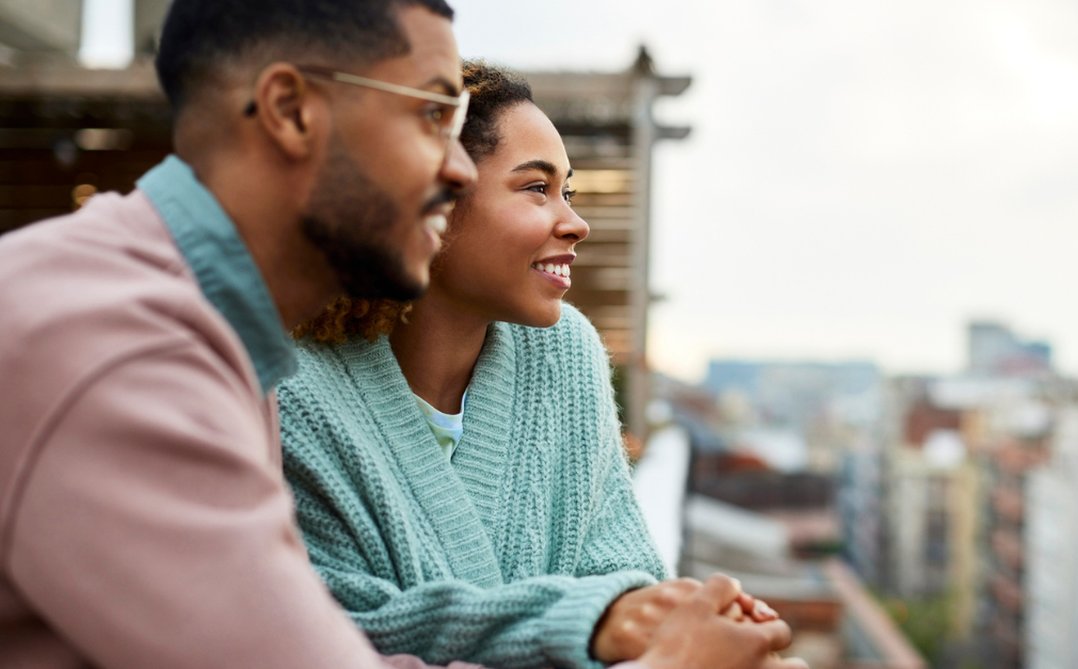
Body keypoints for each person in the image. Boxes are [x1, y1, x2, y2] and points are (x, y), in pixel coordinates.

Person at [0, 0, 798, 668]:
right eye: (429, 115)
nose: (456, 171)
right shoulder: (123, 356)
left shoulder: (211, 333)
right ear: (289, 109)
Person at [278, 61, 789, 669]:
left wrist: (685, 617)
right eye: (535, 188)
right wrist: (587, 620)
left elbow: (620, 569)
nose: (575, 223)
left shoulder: (564, 353)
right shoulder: (289, 390)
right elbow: (338, 625)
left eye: (566, 191)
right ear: (430, 198)